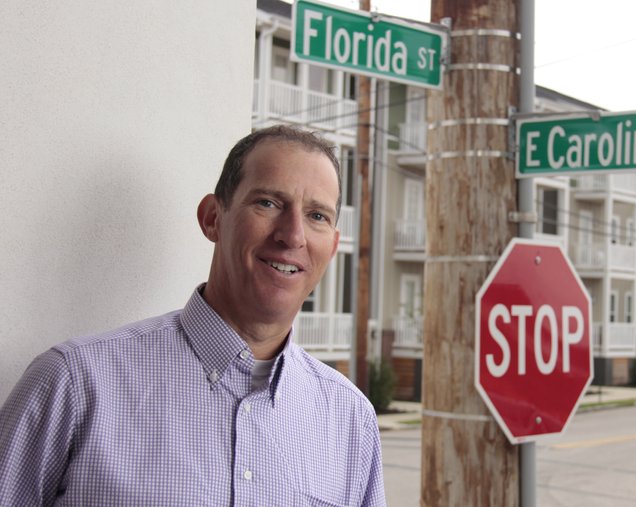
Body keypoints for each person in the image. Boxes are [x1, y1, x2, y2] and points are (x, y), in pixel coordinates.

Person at [0, 125, 386, 506]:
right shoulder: (74, 383)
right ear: (212, 218)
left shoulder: (351, 421)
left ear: (333, 247)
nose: (294, 235)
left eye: (317, 215)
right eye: (268, 203)